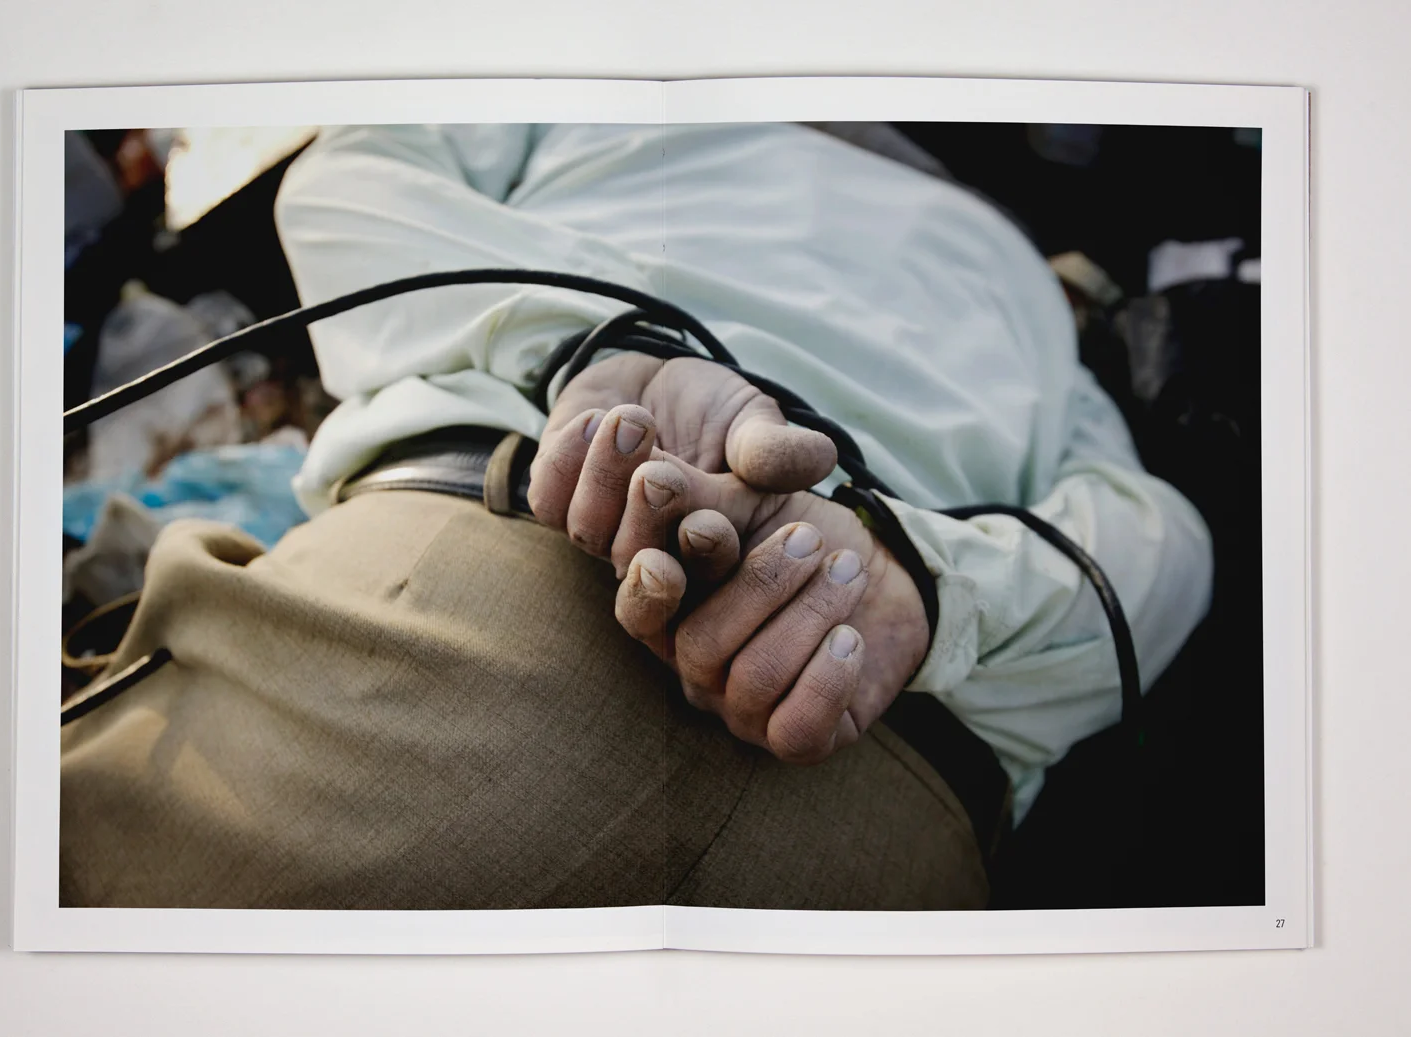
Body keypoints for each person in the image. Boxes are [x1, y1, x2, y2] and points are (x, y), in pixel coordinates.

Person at [58, 122, 1212, 912]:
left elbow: (349, 182)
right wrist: (917, 581)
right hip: (883, 837)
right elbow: (1159, 540)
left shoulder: (596, 100)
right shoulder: (1023, 278)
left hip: (432, 627)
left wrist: (601, 349)